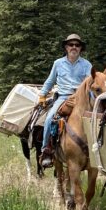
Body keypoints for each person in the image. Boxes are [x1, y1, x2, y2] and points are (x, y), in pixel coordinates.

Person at [39, 34, 93, 168]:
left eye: (77, 45)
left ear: (81, 48)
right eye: (71, 44)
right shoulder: (58, 63)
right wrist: (42, 95)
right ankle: (47, 150)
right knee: (50, 118)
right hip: (63, 96)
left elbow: (90, 84)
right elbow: (50, 81)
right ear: (66, 47)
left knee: (98, 118)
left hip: (81, 98)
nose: (74, 47)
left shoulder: (87, 64)